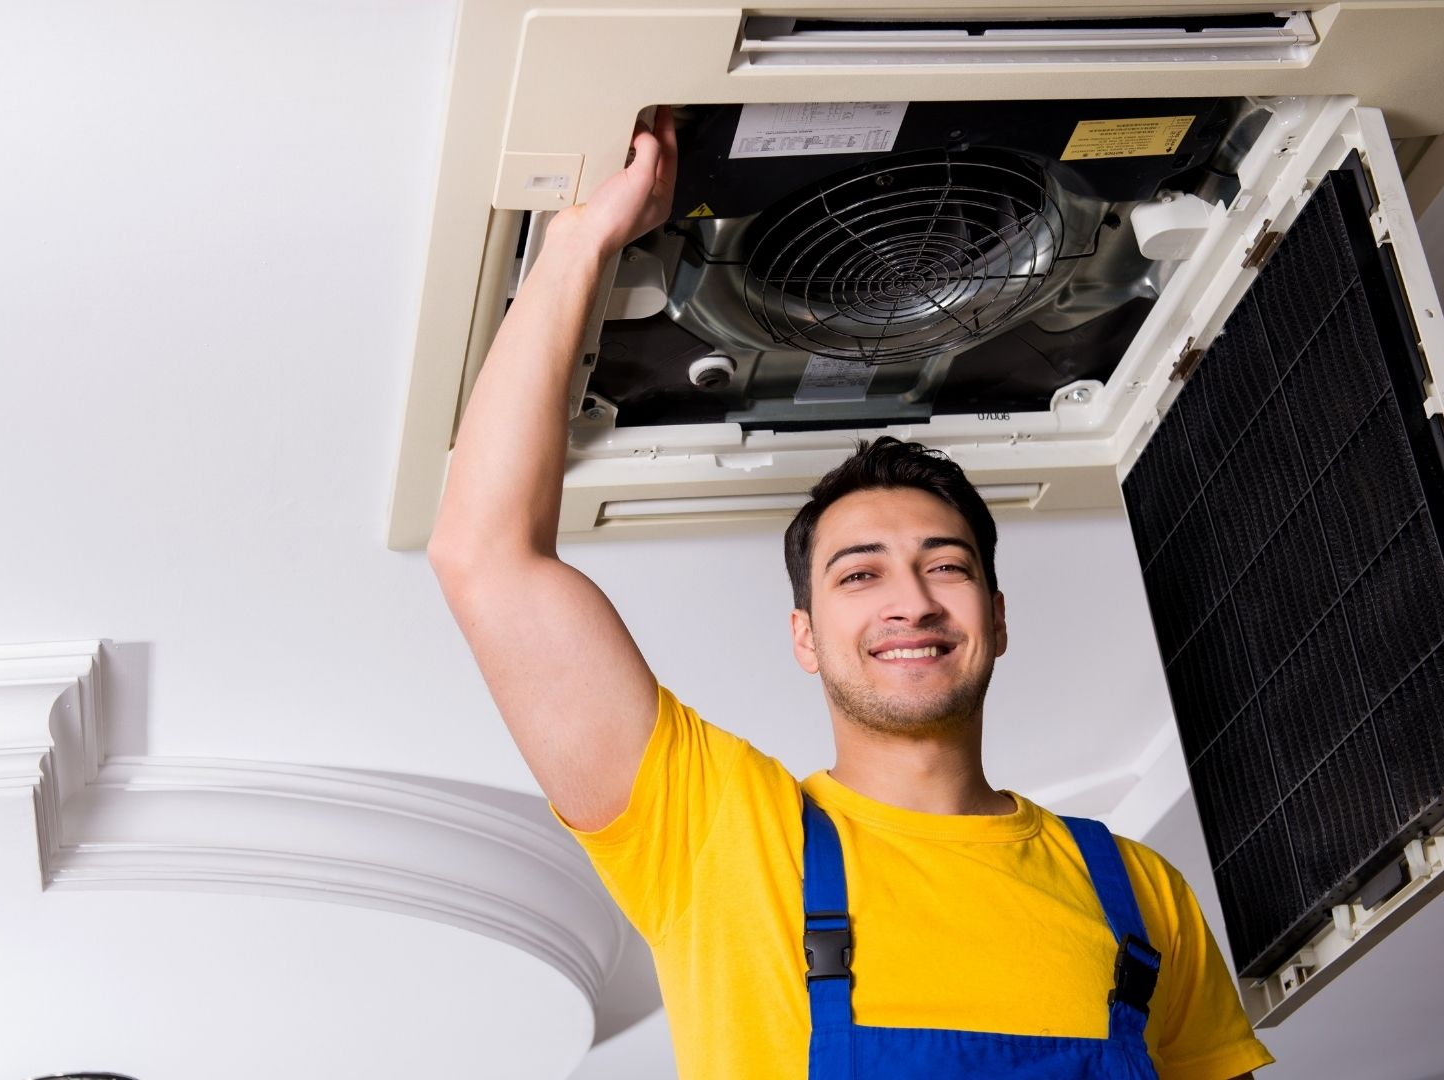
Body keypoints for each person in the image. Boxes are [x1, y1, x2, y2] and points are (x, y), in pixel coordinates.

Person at [427, 106, 1274, 1080]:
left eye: (946, 565)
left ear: (995, 619)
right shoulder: (714, 834)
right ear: (806, 635)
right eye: (859, 573)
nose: (909, 600)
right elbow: (484, 553)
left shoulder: (1140, 893)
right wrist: (582, 240)